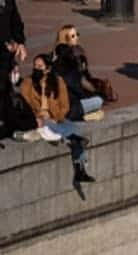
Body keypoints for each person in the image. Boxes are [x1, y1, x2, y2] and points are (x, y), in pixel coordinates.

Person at [21, 55, 95, 184]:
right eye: (35, 66)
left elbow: (65, 105)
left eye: (40, 66)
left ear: (48, 68)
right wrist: (39, 116)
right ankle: (76, 151)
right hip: (39, 119)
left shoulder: (58, 81)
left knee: (74, 128)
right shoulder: (27, 83)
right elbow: (25, 104)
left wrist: (57, 117)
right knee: (54, 127)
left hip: (56, 118)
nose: (36, 69)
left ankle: (80, 170)